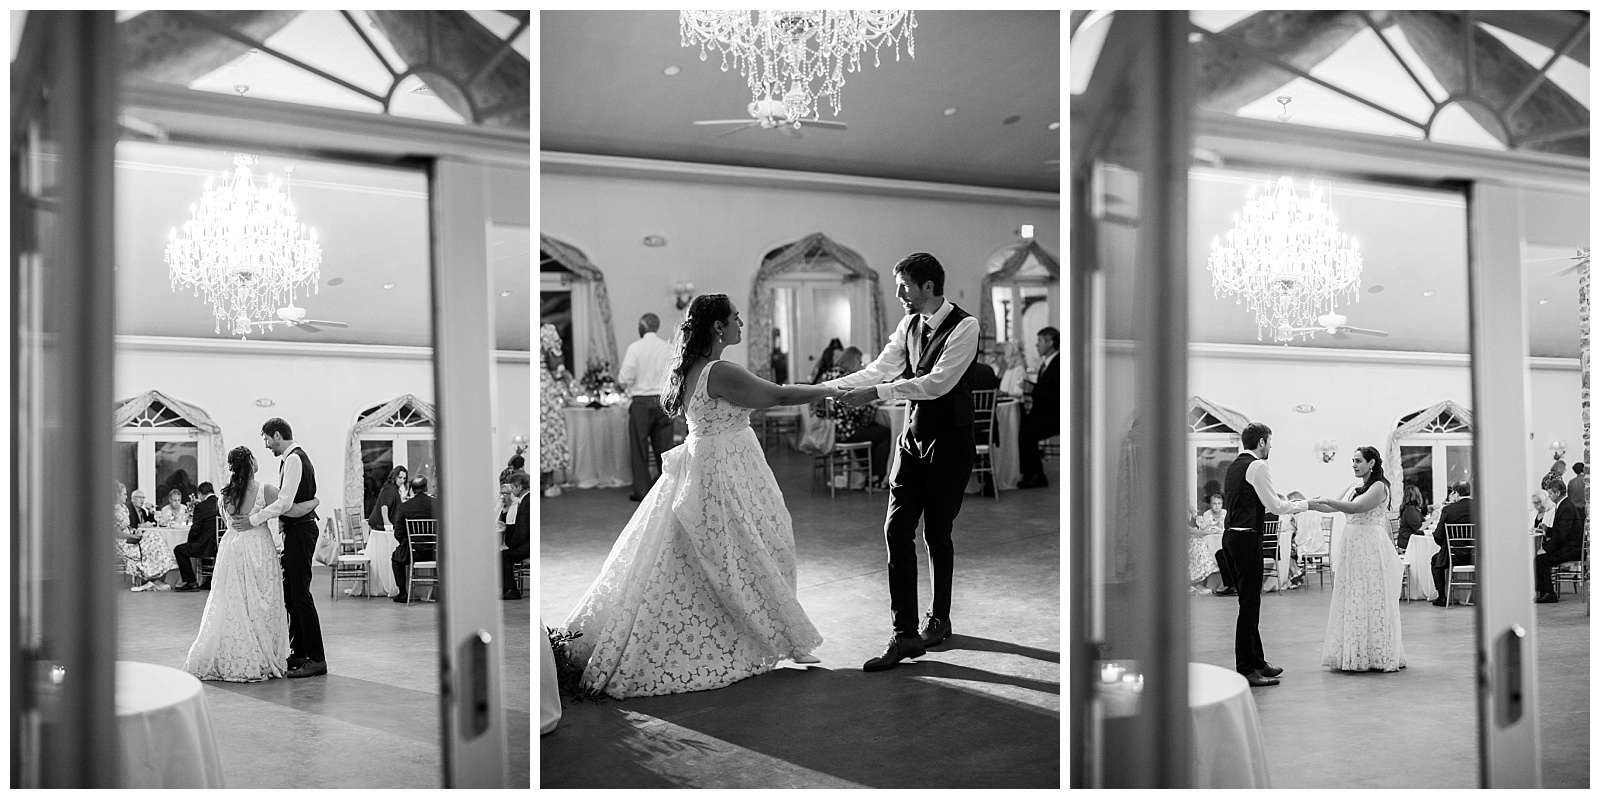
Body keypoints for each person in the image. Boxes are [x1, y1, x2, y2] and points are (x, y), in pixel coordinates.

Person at [562, 293, 837, 698]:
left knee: (720, 551)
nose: (741, 324)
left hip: (713, 461)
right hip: (724, 468)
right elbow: (778, 396)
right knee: (745, 548)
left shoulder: (693, 367)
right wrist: (833, 388)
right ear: (718, 327)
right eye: (736, 319)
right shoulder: (720, 370)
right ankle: (764, 631)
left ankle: (771, 627)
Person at [824, 253, 981, 671]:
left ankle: (940, 618)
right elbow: (881, 368)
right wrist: (828, 386)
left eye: (904, 287)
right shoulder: (908, 325)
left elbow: (937, 383)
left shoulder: (966, 326)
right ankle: (905, 634)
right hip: (912, 439)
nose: (899, 296)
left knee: (937, 534)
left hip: (950, 440)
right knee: (896, 529)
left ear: (928, 286)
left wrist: (878, 393)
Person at [184, 447, 291, 681]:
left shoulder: (226, 494)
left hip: (232, 546)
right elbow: (288, 510)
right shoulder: (267, 490)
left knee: (233, 601)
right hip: (258, 547)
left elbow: (230, 521)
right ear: (251, 463)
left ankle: (236, 651)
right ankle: (263, 653)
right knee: (263, 599)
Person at [1222, 422, 1308, 687]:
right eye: (1269, 442)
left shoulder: (1234, 466)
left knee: (1248, 602)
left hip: (1231, 538)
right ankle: (1246, 669)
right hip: (1247, 538)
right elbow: (1275, 505)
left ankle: (1258, 661)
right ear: (1261, 442)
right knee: (1250, 605)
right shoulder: (1258, 466)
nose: (1270, 447)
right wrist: (1305, 505)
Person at [242, 418, 327, 678]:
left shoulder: (294, 459)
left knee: (300, 594)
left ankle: (317, 658)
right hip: (295, 529)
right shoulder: (290, 459)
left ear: (277, 435)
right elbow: (290, 503)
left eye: (267, 439)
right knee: (291, 593)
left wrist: (254, 519)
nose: (267, 445)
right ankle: (299, 652)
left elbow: (284, 501)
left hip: (301, 530)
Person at [1309, 447, 1406, 672]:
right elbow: (1331, 506)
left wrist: (1328, 500)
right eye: (1352, 461)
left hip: (1369, 544)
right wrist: (1308, 505)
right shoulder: (1354, 486)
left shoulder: (1380, 486)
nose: (1354, 465)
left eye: (1359, 461)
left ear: (1371, 463)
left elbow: (1356, 507)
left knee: (1369, 594)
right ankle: (1353, 652)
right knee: (1352, 595)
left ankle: (1375, 653)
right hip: (1352, 543)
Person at [813, 346, 893, 485]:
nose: (861, 365)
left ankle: (867, 473)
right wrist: (872, 404)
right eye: (860, 362)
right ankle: (876, 477)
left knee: (872, 430)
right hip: (845, 431)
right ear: (855, 360)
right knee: (884, 433)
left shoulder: (827, 375)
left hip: (829, 430)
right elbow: (856, 409)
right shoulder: (847, 378)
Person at [619, 312, 675, 502]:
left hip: (641, 402)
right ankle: (667, 491)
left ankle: (642, 491)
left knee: (639, 447)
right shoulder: (667, 347)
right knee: (665, 448)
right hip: (662, 401)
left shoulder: (635, 348)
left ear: (642, 327)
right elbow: (675, 375)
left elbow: (624, 377)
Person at [114, 480, 178, 592]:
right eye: (124, 494)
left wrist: (134, 532)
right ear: (117, 495)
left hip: (129, 538)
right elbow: (116, 532)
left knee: (154, 535)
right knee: (152, 539)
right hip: (123, 543)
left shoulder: (122, 507)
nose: (126, 496)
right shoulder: (115, 509)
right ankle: (151, 578)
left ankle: (155, 576)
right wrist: (133, 536)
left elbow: (128, 527)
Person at [1017, 326, 1060, 489]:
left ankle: (1037, 475)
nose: (1037, 345)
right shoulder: (1047, 363)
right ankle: (1028, 472)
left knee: (1028, 433)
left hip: (1055, 415)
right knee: (1023, 427)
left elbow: (1056, 394)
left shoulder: (1059, 363)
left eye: (1040, 341)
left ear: (1050, 342)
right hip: (1044, 412)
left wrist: (1032, 389)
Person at [1534, 480, 1585, 603]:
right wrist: (1548, 530)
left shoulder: (1566, 507)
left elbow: (1562, 535)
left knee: (1541, 560)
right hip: (1568, 545)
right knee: (1540, 558)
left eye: (1550, 493)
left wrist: (1546, 549)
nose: (1549, 496)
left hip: (1571, 549)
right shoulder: (1564, 505)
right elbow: (1561, 531)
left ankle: (1549, 593)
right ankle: (1544, 591)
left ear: (1557, 493)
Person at [539, 324, 574, 498]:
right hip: (546, 388)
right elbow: (554, 362)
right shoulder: (547, 331)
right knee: (549, 434)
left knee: (541, 434)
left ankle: (540, 481)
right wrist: (562, 373)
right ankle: (549, 483)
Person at [390, 475, 437, 603]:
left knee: (396, 558)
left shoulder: (405, 507)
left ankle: (403, 592)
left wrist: (408, 543)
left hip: (413, 552)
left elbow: (398, 533)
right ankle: (439, 592)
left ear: (412, 489)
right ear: (426, 487)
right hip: (435, 552)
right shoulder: (437, 504)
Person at [1428, 481, 1474, 607]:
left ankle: (1442, 596)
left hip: (1454, 556)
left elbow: (1438, 535)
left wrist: (1446, 544)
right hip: (1476, 556)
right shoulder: (1479, 507)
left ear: (1456, 493)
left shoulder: (1449, 510)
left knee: (1435, 560)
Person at [173, 482, 220, 592]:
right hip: (219, 545)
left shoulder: (201, 507)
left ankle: (191, 582)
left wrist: (190, 542)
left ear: (200, 494)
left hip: (205, 546)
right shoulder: (221, 504)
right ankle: (208, 581)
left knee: (179, 550)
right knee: (206, 543)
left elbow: (196, 529)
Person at [500, 471, 531, 600]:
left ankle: (511, 589)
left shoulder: (526, 502)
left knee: (504, 555)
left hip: (529, 545)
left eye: (512, 488)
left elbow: (522, 531)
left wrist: (509, 545)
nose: (511, 491)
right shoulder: (525, 501)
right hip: (527, 542)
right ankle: (508, 589)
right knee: (504, 554)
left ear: (519, 487)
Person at [366, 465, 408, 537]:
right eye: (400, 478)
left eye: (404, 478)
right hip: (380, 528)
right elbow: (384, 506)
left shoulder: (393, 489)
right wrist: (386, 522)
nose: (402, 481)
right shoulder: (389, 489)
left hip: (382, 527)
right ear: (394, 477)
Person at [1396, 484, 1426, 550]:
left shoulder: (1410, 509)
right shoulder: (1410, 510)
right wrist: (1433, 517)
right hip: (1409, 543)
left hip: (1410, 541)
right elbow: (1419, 528)